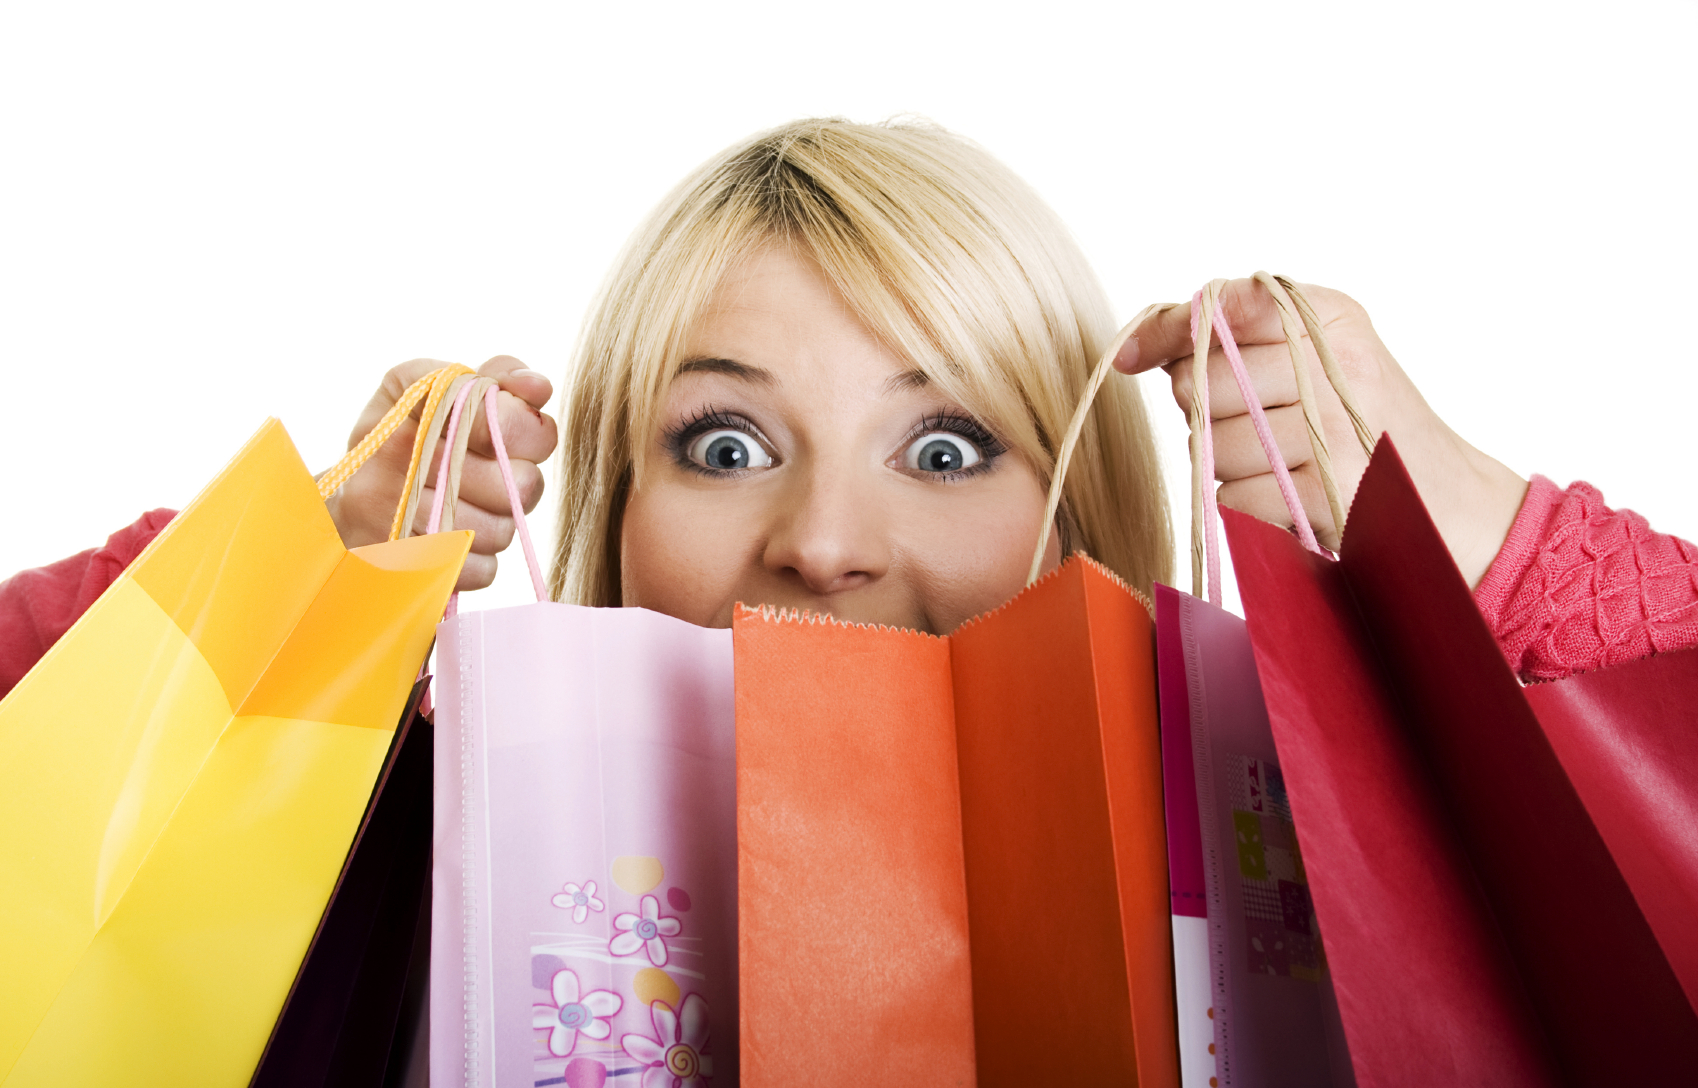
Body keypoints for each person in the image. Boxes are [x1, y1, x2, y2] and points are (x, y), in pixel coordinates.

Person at [3, 117, 1694, 695]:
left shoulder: (1266, 825)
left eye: (947, 446)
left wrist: (1463, 527)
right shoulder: (406, 811)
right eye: (722, 444)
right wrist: (277, 578)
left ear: (1084, 521)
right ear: (605, 517)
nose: (818, 544)